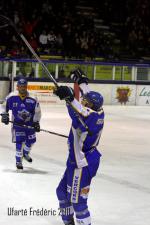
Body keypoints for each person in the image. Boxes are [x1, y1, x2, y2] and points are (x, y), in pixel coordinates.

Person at [54, 69, 104, 225]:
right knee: (62, 192)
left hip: (82, 163)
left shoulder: (85, 117)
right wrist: (81, 81)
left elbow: (78, 109)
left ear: (90, 106)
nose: (82, 100)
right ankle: (68, 222)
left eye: (85, 101)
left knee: (78, 203)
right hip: (78, 159)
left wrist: (69, 96)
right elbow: (87, 96)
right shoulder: (98, 111)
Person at [1, 77, 41, 170]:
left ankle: (25, 153)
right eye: (20, 86)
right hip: (17, 124)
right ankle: (18, 160)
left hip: (29, 124)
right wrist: (4, 115)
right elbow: (3, 106)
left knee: (32, 140)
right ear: (17, 87)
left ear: (26, 87)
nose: (22, 88)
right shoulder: (12, 97)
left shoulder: (33, 98)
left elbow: (37, 112)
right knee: (19, 142)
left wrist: (36, 123)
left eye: (24, 86)